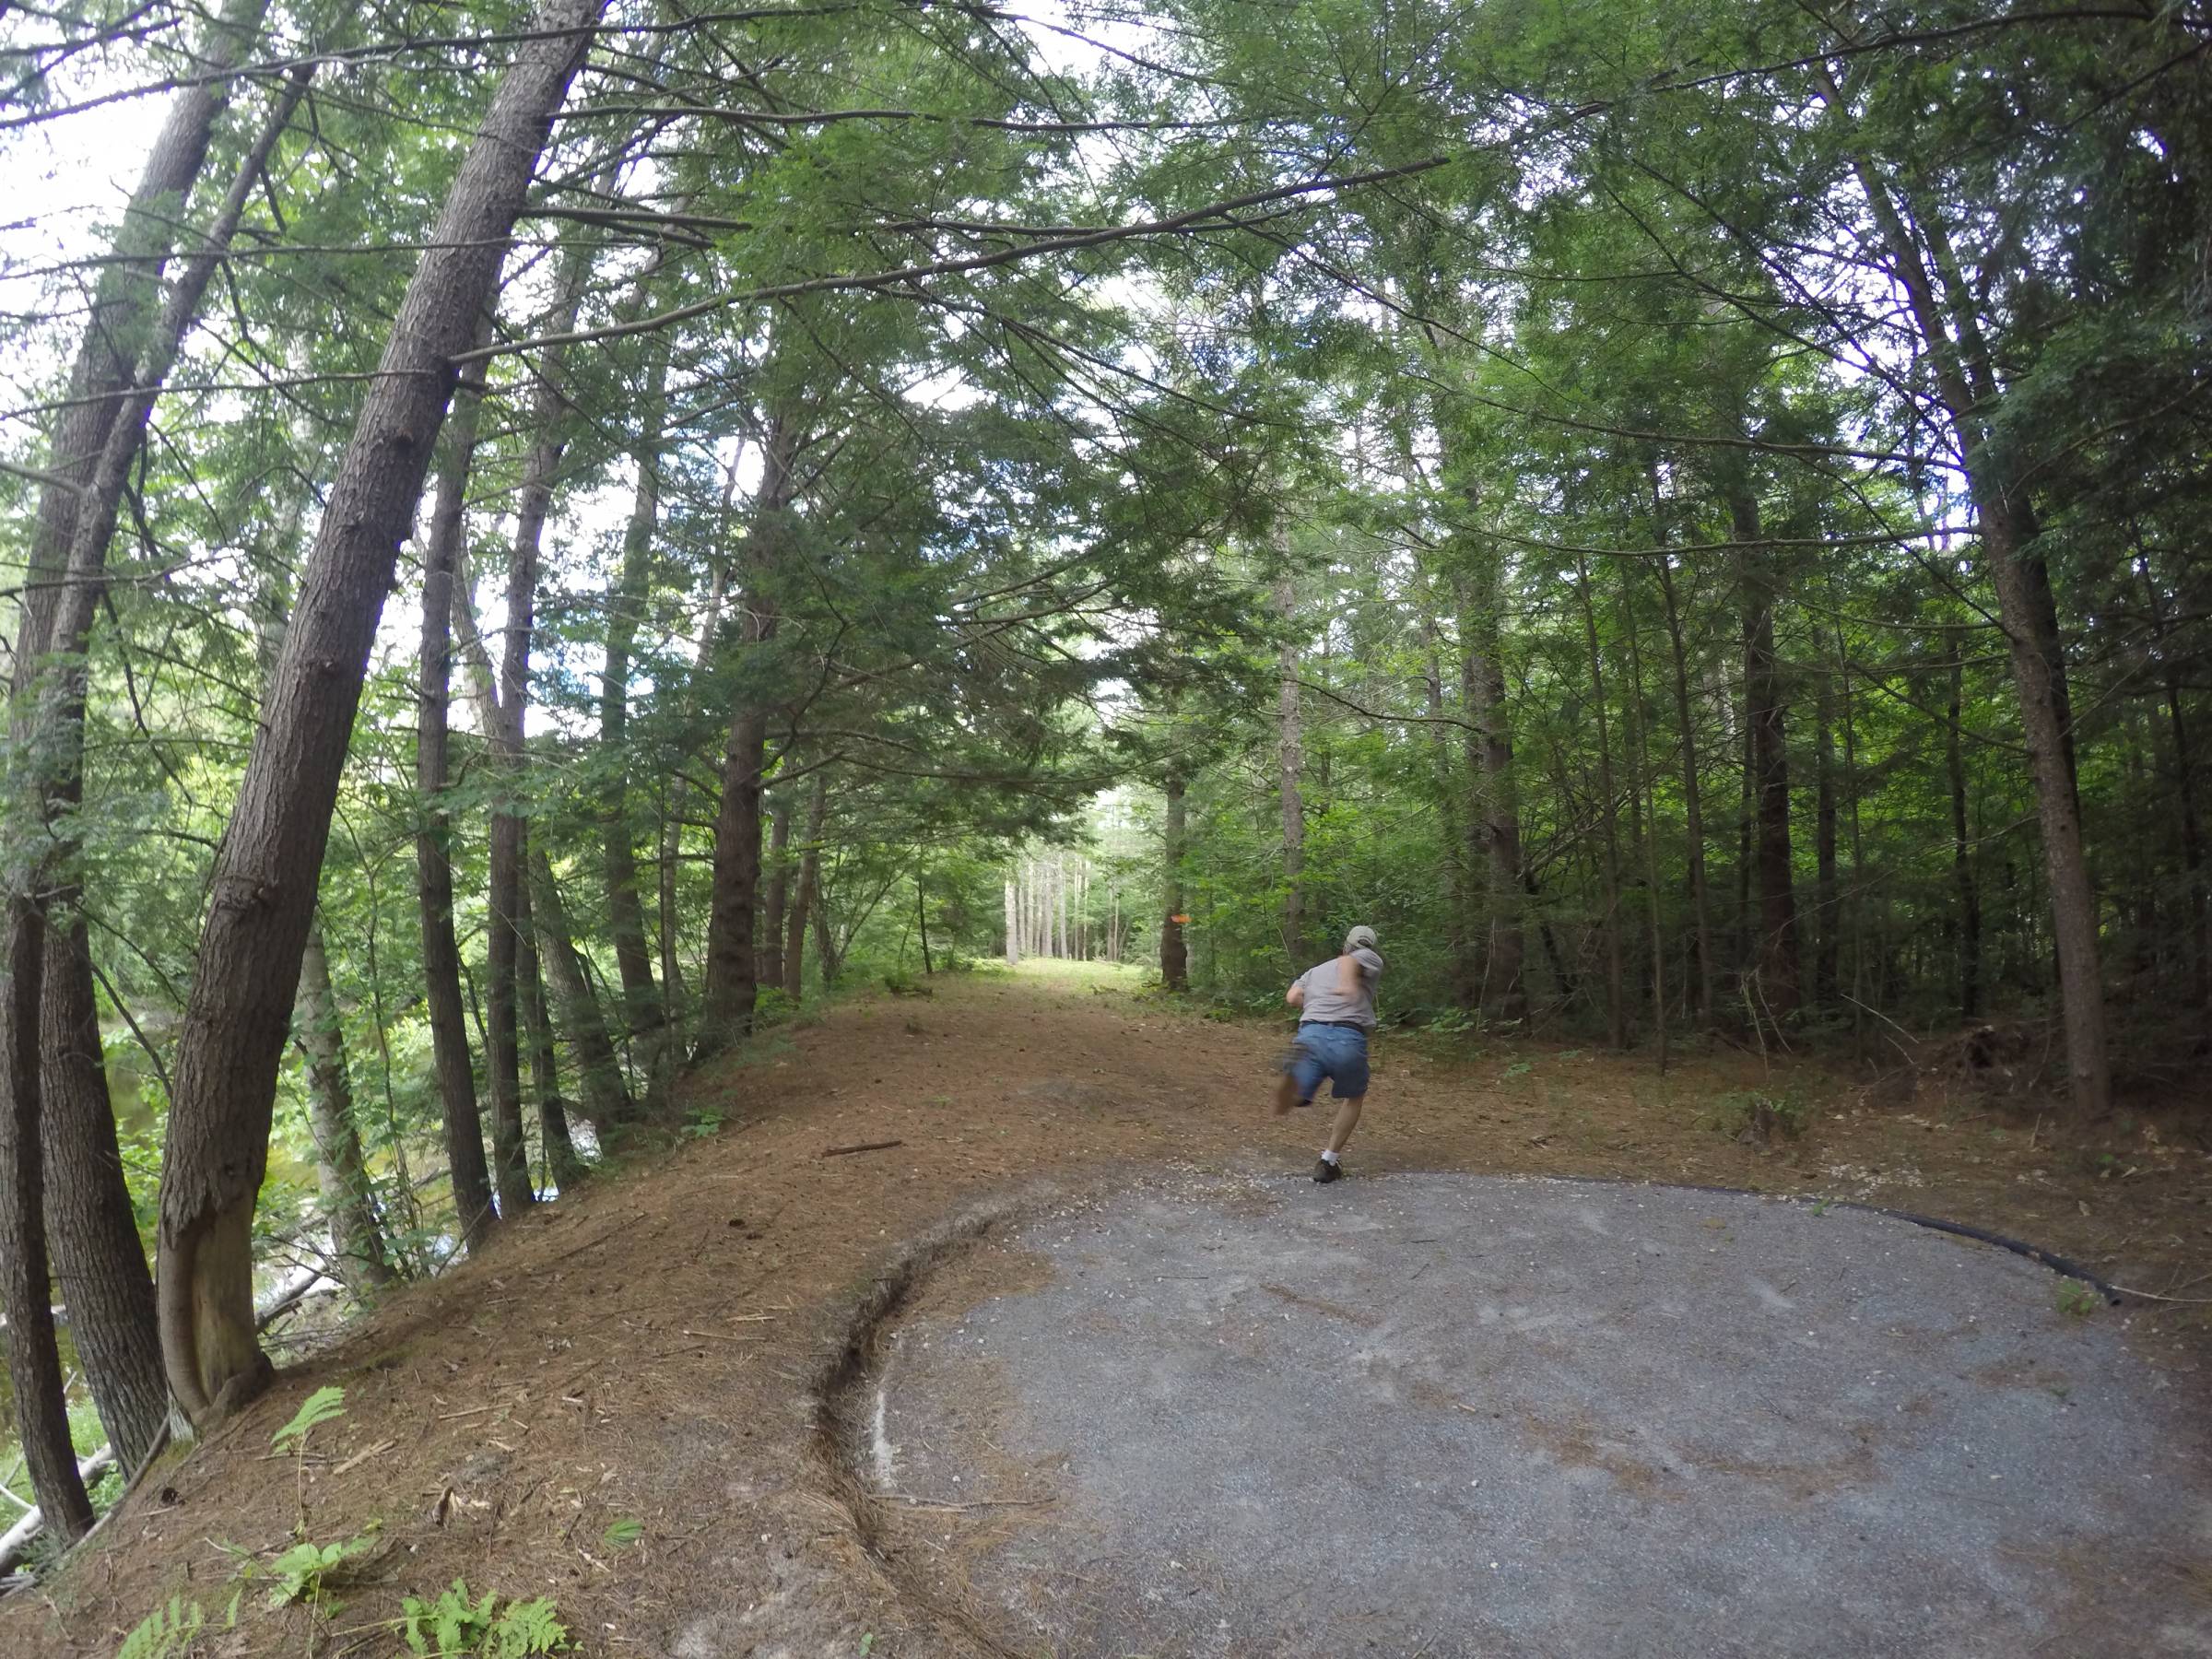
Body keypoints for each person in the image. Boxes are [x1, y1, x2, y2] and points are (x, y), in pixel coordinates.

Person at [1272, 925, 1383, 1183]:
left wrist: (1316, 1004)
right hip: (1348, 1037)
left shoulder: (1315, 971)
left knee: (1308, 1068)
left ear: (1345, 944)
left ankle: (1299, 1084)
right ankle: (1328, 1161)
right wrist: (1346, 985)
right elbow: (1349, 962)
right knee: (1354, 1096)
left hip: (1311, 1033)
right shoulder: (1369, 956)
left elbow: (1292, 997)